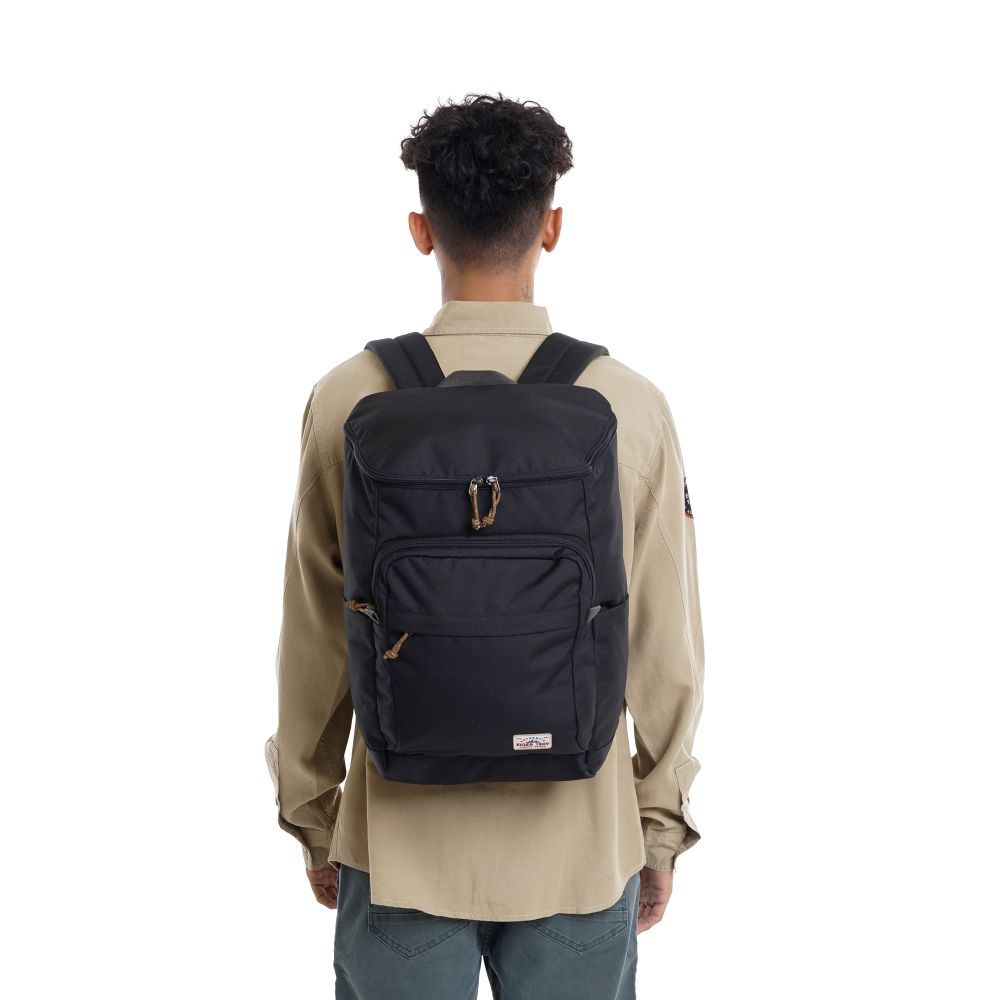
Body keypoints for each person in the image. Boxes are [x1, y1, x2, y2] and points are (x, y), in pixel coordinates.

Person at [264, 92, 705, 1000]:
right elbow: (666, 640)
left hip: (400, 847)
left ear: (422, 230)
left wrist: (313, 814)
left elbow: (313, 634)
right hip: (581, 848)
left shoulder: (349, 398)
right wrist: (658, 825)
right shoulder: (628, 404)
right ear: (551, 226)